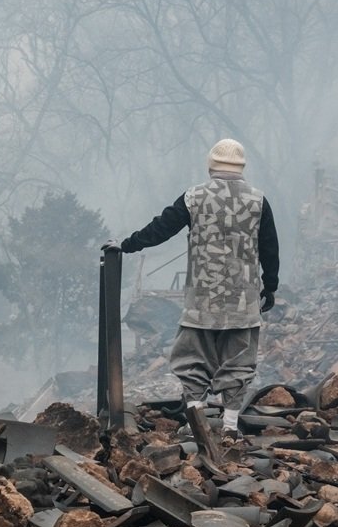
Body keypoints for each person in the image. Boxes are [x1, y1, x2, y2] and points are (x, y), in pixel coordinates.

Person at [103, 138, 279, 437]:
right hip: (243, 301)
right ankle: (230, 425)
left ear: (211, 165)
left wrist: (127, 245)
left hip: (202, 301)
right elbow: (269, 247)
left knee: (192, 359)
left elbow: (161, 228)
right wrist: (270, 285)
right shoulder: (258, 200)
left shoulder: (194, 197)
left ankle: (196, 420)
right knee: (239, 362)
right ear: (242, 166)